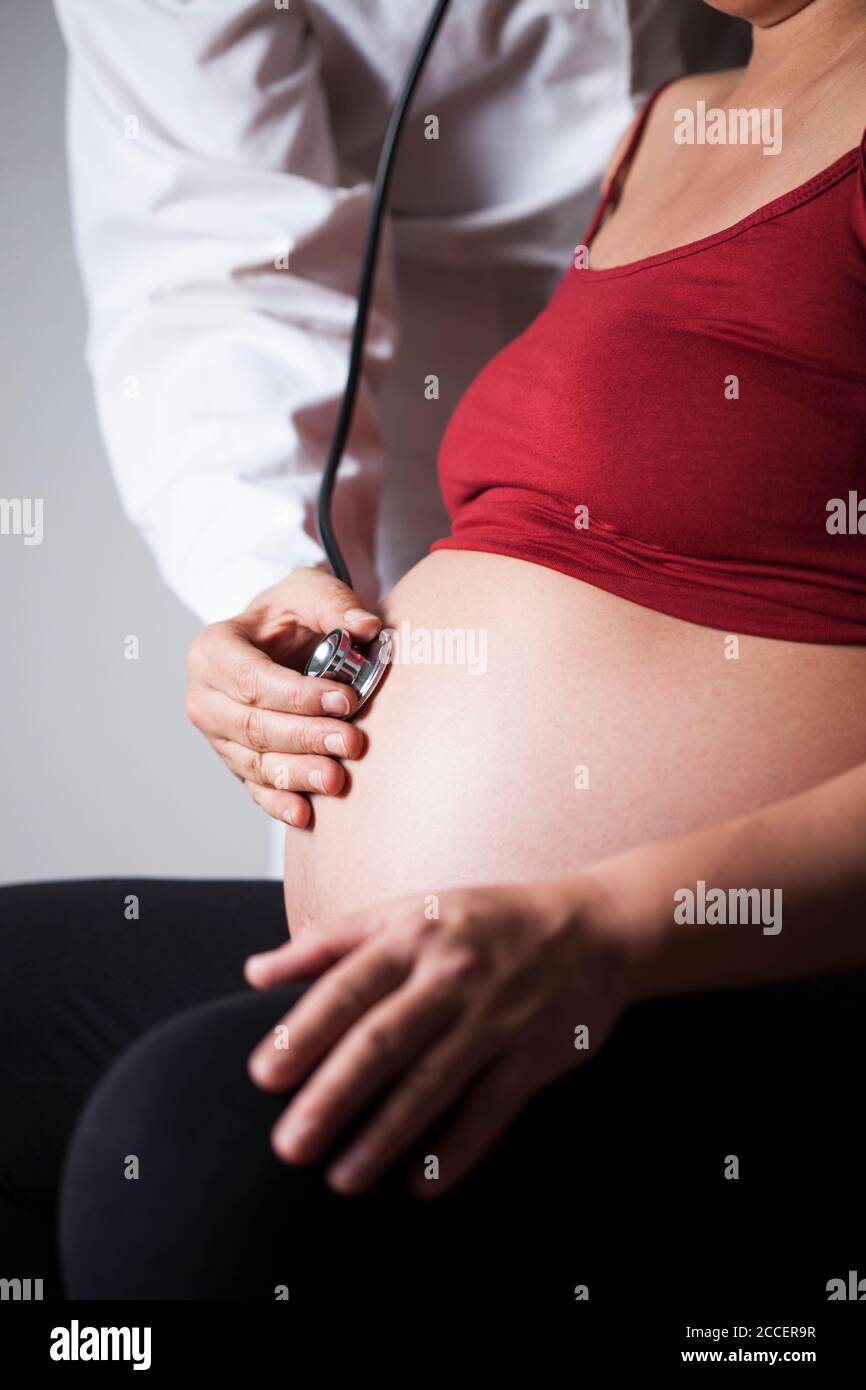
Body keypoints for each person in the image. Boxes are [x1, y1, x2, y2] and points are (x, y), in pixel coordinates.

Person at [2, 0, 863, 1306]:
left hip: (708, 955)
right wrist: (281, 607)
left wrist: (606, 924)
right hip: (464, 944)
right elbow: (210, 249)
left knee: (194, 1151)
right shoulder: (668, 125)